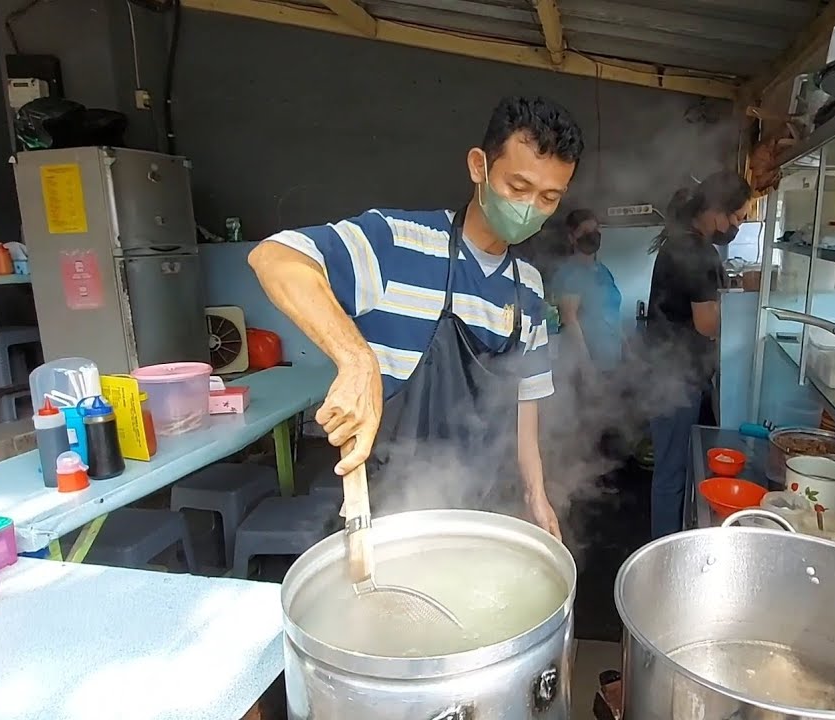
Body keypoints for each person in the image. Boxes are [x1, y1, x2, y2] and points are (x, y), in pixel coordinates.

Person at [248, 96, 586, 539]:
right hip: (390, 510)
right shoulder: (397, 243)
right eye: (518, 187)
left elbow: (527, 398)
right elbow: (274, 257)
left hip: (483, 506)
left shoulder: (529, 286)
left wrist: (534, 494)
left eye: (548, 198)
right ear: (478, 167)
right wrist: (356, 359)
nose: (529, 208)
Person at [645, 172, 752, 539]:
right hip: (676, 377)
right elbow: (706, 323)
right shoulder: (697, 251)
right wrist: (745, 310)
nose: (737, 226)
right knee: (673, 473)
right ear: (716, 210)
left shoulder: (679, 242)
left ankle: (664, 545)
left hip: (663, 370)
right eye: (736, 217)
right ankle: (664, 554)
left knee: (669, 470)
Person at [552, 209, 623, 376]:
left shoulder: (603, 271)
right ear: (572, 238)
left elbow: (613, 314)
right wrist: (587, 370)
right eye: (584, 232)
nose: (592, 236)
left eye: (595, 231)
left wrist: (628, 352)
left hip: (611, 362)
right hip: (584, 367)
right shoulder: (569, 273)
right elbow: (570, 320)